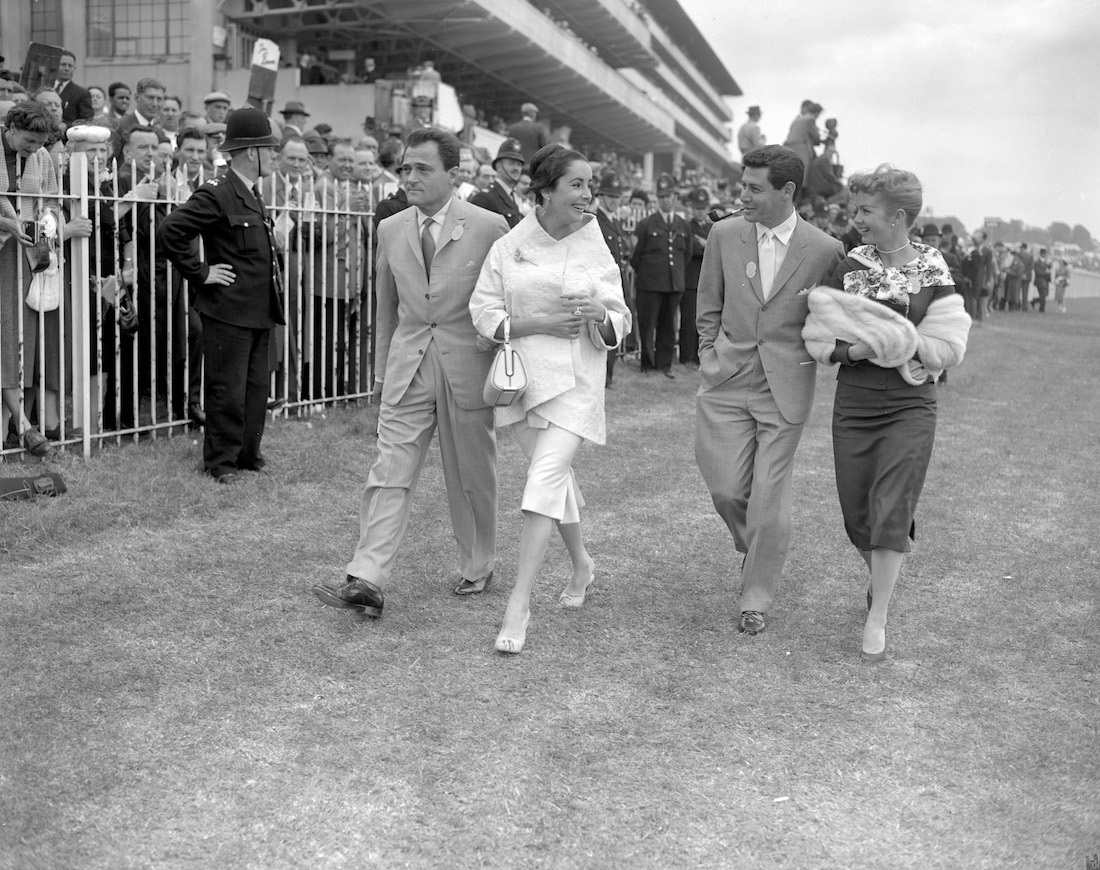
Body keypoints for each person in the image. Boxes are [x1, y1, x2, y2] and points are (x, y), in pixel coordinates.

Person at [311, 127, 509, 617]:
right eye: (405, 168)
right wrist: (382, 371)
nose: (411, 177)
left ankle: (478, 563)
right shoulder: (391, 228)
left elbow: (507, 299)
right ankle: (367, 576)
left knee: (470, 474)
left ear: (454, 174)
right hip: (409, 365)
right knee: (389, 471)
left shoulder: (490, 227)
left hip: (468, 366)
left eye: (423, 168)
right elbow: (385, 307)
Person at [802, 164, 970, 662]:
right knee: (857, 513)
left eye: (866, 210)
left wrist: (898, 342)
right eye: (855, 208)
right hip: (854, 401)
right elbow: (818, 331)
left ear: (897, 216)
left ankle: (879, 614)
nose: (856, 219)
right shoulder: (848, 263)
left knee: (891, 505)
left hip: (910, 404)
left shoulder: (936, 267)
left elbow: (948, 343)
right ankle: (880, 576)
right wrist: (853, 351)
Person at [469, 143, 631, 654]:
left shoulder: (593, 240)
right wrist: (537, 322)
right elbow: (483, 310)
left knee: (542, 481)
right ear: (545, 191)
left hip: (579, 381)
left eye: (590, 185)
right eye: (577, 185)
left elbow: (619, 315)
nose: (588, 195)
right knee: (555, 483)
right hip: (522, 383)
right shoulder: (509, 243)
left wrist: (598, 314)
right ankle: (582, 563)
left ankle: (519, 601)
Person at [695, 144, 843, 636]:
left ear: (788, 191)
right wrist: (708, 353)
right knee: (726, 489)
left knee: (768, 499)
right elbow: (707, 306)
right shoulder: (724, 233)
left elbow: (832, 318)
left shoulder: (825, 249)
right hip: (727, 378)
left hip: (787, 386)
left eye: (754, 188)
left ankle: (754, 596)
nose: (743, 195)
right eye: (743, 185)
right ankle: (756, 549)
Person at [157, 108, 285, 484]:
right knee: (226, 390)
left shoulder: (252, 194)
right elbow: (171, 230)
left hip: (258, 308)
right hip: (228, 309)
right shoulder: (219, 192)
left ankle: (248, 454)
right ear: (250, 151)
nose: (274, 156)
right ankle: (221, 462)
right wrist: (201, 272)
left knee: (254, 388)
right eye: (270, 149)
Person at [0, 101, 62, 456]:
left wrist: (50, 218)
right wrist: (5, 222)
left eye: (40, 144)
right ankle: (23, 426)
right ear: (9, 128)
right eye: (28, 141)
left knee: (15, 340)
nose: (34, 149)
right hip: (5, 246)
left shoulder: (40, 158)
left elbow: (51, 200)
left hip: (22, 255)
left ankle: (21, 426)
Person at [630, 173, 693, 377]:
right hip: (649, 284)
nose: (664, 200)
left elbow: (687, 255)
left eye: (668, 196)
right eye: (661, 196)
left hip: (674, 284)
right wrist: (648, 274)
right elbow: (635, 256)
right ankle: (647, 365)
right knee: (647, 326)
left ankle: (664, 365)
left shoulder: (683, 226)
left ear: (675, 197)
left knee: (668, 327)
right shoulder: (646, 224)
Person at [593, 171, 631, 387]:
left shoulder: (614, 223)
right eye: (610, 196)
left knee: (613, 327)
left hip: (615, 284)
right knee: (602, 329)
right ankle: (603, 377)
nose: (614, 201)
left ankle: (609, 375)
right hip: (600, 285)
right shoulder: (595, 221)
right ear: (601, 196)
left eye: (617, 197)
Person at [680, 186, 712, 368]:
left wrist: (704, 243)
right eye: (697, 208)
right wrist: (706, 245)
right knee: (689, 320)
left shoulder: (712, 227)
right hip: (691, 279)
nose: (700, 212)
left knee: (706, 322)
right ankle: (686, 356)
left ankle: (701, 356)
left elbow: (716, 250)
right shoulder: (687, 226)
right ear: (692, 208)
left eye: (703, 208)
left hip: (708, 281)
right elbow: (693, 249)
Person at [468, 138, 524, 228]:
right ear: (498, 166)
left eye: (519, 164)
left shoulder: (513, 197)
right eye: (511, 163)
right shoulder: (485, 197)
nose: (516, 168)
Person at [782, 100, 822, 188]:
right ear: (816, 113)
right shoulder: (810, 120)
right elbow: (816, 137)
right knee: (803, 175)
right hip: (801, 148)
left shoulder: (797, 119)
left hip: (790, 147)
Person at [54, 50, 94, 126]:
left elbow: (87, 122)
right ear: (55, 65)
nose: (67, 68)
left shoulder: (82, 94)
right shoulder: (44, 88)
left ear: (74, 68)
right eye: (63, 64)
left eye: (70, 66)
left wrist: (66, 126)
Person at [1032, 247, 1051, 313]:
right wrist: (1046, 272)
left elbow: (1050, 269)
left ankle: (1034, 301)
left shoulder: (1047, 262)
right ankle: (1042, 309)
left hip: (1046, 280)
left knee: (1046, 294)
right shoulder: (1037, 262)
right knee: (1043, 295)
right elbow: (1037, 272)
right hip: (1040, 280)